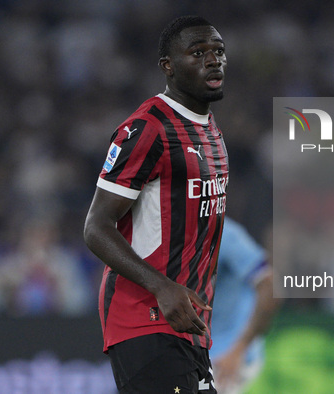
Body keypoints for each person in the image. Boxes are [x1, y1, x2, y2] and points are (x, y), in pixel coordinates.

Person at [83, 15, 228, 393]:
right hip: (145, 318)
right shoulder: (148, 127)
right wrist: (162, 287)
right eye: (198, 53)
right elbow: (96, 226)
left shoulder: (210, 129)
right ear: (168, 66)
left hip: (187, 325)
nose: (213, 60)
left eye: (218, 51)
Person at [210, 217, 281, 393]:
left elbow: (270, 286)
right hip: (195, 354)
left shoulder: (225, 234)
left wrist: (239, 349)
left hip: (226, 358)